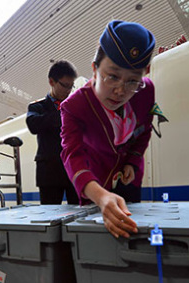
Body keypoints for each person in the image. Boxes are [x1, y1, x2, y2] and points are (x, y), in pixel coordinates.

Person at [60, 20, 157, 239]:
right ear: (94, 68)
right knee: (97, 237)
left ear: (145, 73)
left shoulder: (146, 91)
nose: (121, 91)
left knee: (133, 231)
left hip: (129, 178)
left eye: (133, 81)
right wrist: (101, 196)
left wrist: (132, 160)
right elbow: (72, 154)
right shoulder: (74, 106)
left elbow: (145, 129)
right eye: (112, 76)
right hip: (95, 182)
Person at [26, 61, 78, 205]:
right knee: (49, 216)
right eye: (64, 85)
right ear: (51, 81)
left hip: (75, 170)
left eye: (71, 86)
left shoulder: (76, 105)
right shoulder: (37, 106)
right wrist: (64, 114)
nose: (68, 90)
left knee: (79, 215)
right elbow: (33, 125)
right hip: (49, 172)